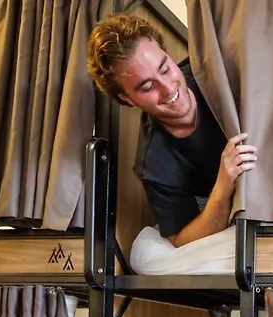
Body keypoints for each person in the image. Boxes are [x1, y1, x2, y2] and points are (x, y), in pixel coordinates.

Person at [86, 15, 256, 248]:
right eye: (147, 86)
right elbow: (181, 237)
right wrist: (223, 186)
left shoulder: (215, 68)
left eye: (165, 69)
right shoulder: (155, 163)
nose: (167, 88)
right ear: (127, 98)